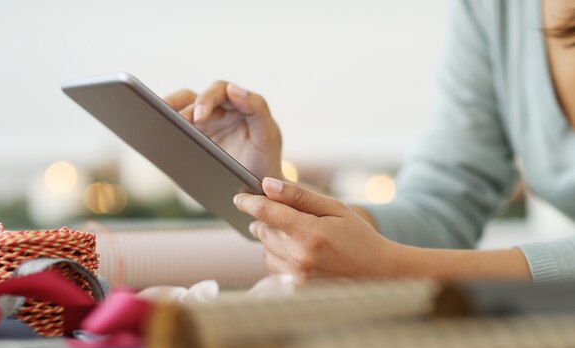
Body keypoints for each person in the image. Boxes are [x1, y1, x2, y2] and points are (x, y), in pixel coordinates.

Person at [164, 0, 575, 283]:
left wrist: (394, 269)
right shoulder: (492, 10)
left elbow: (398, 261)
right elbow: (440, 210)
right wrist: (278, 200)